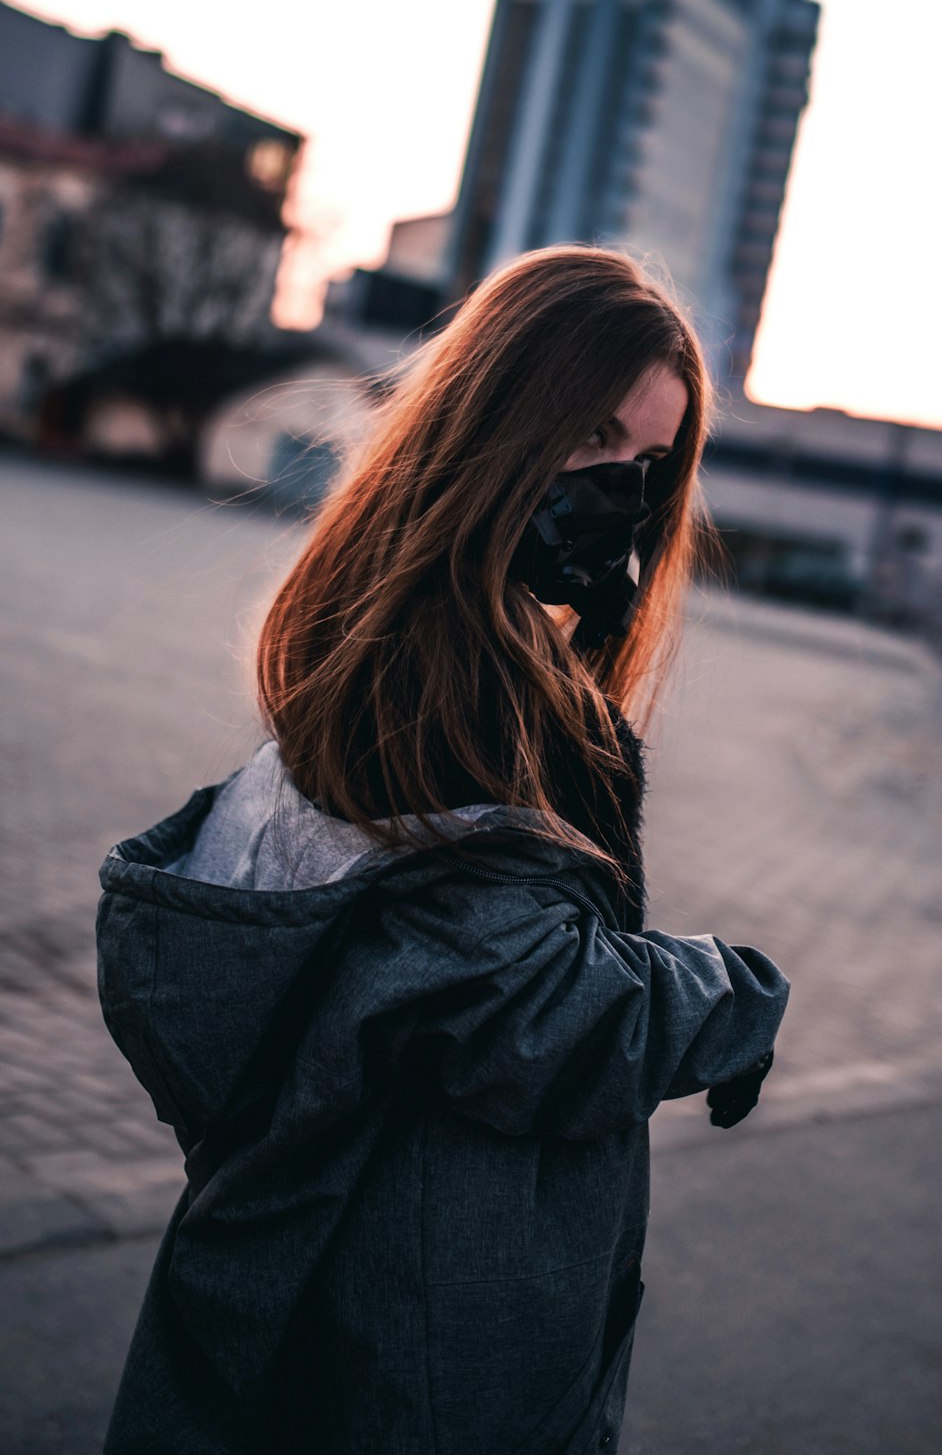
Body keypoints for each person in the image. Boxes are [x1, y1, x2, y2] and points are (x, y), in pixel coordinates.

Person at [97, 245, 789, 1455]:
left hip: (356, 1260)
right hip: (416, 1315)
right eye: (587, 435)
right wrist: (727, 994)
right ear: (496, 419)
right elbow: (515, 1002)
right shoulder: (447, 680)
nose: (617, 488)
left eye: (648, 463)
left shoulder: (418, 632)